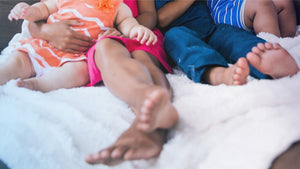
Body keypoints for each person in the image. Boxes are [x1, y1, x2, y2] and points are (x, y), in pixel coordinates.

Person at [3, 0, 157, 92]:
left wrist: (136, 30)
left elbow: (127, 22)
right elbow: (42, 9)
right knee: (19, 59)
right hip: (46, 44)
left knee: (81, 72)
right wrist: (27, 10)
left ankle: (38, 85)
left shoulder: (117, 6)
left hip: (76, 56)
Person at [155, 0, 299, 87]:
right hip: (180, 32)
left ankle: (269, 66)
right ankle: (217, 74)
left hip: (211, 28)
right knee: (175, 38)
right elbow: (160, 18)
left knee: (236, 39)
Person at [206, 0, 297, 37]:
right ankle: (272, 49)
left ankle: (287, 45)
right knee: (261, 4)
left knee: (284, 2)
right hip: (226, 8)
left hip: (248, 4)